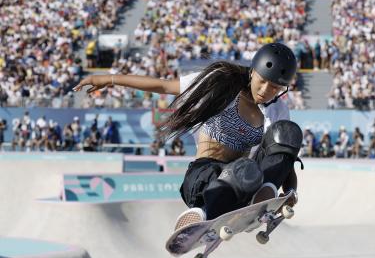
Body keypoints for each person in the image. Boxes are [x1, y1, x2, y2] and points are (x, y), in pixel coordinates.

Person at [73, 43, 303, 230]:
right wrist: (109, 79)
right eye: (262, 81)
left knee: (286, 134)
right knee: (240, 172)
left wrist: (289, 191)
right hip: (205, 178)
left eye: (273, 87)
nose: (264, 90)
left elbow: (284, 157)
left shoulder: (277, 110)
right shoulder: (219, 82)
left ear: (282, 89)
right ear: (252, 72)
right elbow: (163, 86)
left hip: (250, 183)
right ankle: (203, 212)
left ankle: (262, 197)